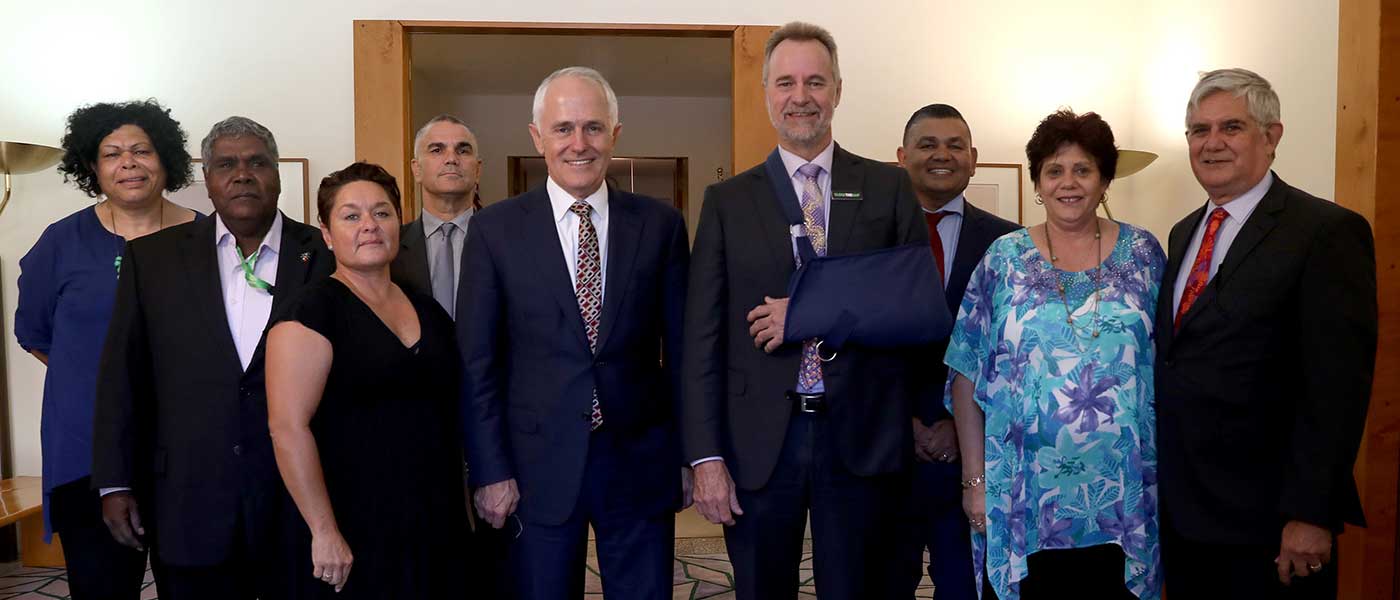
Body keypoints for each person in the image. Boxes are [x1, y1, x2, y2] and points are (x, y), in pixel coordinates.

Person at [682, 21, 929, 600]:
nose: (801, 97)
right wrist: (705, 455)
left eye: (815, 82)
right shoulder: (726, 202)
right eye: (786, 82)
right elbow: (701, 338)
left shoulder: (889, 189)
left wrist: (814, 312)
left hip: (863, 437)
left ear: (838, 90)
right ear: (767, 93)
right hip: (759, 443)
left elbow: (914, 309)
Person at [459, 66, 690, 600]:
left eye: (593, 127)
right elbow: (478, 363)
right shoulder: (495, 230)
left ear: (615, 134)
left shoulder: (660, 225)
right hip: (534, 466)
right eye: (563, 129)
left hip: (638, 460)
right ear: (538, 137)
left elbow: (681, 352)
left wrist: (687, 455)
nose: (579, 143)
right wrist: (490, 470)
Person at [1156, 68, 1377, 599]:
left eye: (1231, 127)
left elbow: (1336, 391)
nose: (1212, 144)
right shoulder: (1184, 231)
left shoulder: (1325, 232)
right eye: (1198, 130)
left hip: (1273, 528)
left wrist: (1311, 515)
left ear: (1272, 136)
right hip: (1185, 519)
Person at [91, 116, 333, 600]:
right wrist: (113, 482)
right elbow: (123, 377)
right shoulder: (151, 260)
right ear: (208, 179)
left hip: (302, 507)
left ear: (277, 175)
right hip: (191, 502)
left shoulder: (325, 255)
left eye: (257, 162)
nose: (242, 174)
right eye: (226, 164)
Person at [946, 109, 1164, 600]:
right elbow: (964, 372)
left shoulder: (1145, 254)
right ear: (1039, 182)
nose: (1069, 183)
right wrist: (974, 479)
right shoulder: (1003, 259)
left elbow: (1171, 365)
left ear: (1105, 179)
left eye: (1083, 169)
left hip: (1123, 497)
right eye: (1055, 170)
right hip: (1023, 495)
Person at [14, 99, 198, 599]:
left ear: (166, 160)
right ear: (92, 167)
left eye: (142, 150)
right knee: (100, 588)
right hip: (86, 449)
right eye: (112, 153)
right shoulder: (62, 242)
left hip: (186, 450)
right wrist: (102, 379)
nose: (129, 163)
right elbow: (34, 331)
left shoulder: (206, 239)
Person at [267, 162, 469, 597]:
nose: (369, 226)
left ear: (399, 221)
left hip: (434, 521)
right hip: (352, 528)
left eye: (382, 213)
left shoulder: (429, 310)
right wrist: (323, 532)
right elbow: (287, 429)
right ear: (326, 232)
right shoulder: (309, 312)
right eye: (351, 215)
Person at [895, 103, 1019, 599]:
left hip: (975, 461)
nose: (941, 155)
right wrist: (904, 422)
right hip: (885, 454)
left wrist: (958, 425)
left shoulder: (1008, 244)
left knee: (968, 590)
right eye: (927, 144)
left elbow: (1010, 356)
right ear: (902, 156)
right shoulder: (868, 235)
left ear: (974, 158)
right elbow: (854, 342)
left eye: (955, 145)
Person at [391, 113, 513, 597]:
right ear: (416, 167)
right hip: (415, 429)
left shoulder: (513, 238)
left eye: (462, 149)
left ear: (478, 167)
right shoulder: (385, 247)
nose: (451, 158)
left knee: (500, 567)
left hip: (500, 422)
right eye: (437, 149)